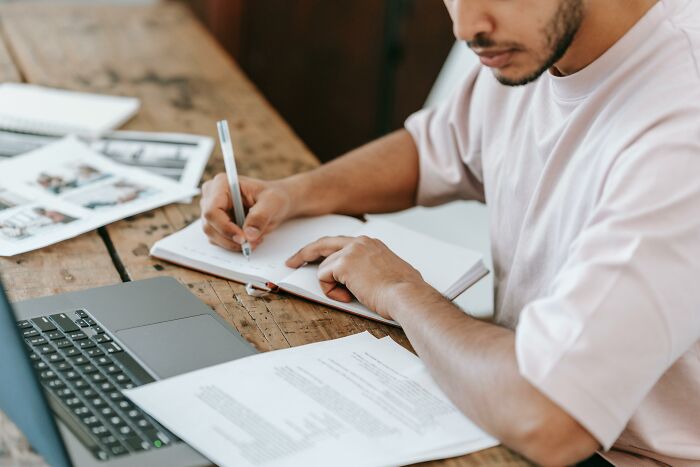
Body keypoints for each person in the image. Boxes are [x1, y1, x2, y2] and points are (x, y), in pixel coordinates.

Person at [200, 0, 700, 465]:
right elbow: (439, 148)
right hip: (519, 400)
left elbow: (551, 418)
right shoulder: (536, 43)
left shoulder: (680, 128)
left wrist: (400, 290)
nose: (464, 27)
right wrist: (296, 192)